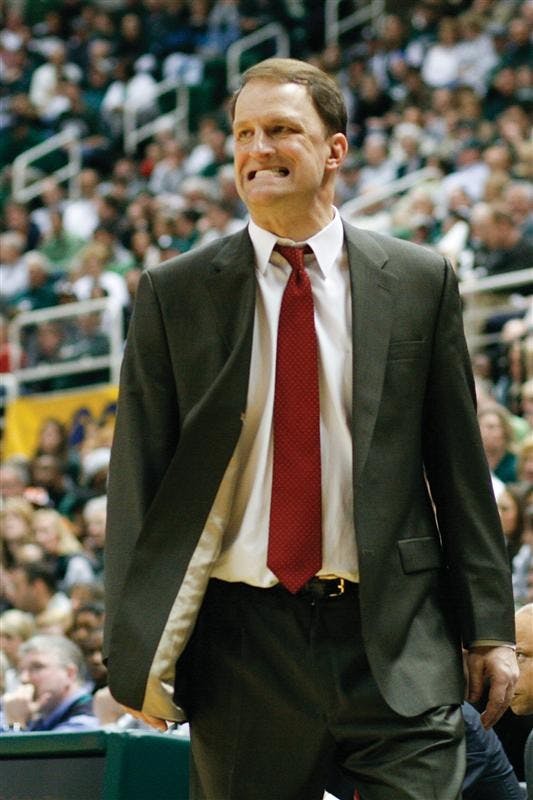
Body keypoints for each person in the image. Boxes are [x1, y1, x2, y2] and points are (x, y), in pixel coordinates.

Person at [104, 58, 518, 800]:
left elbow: (457, 466)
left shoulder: (419, 278)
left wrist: (487, 628)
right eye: (243, 134)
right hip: (241, 646)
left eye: (281, 130)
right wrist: (133, 644)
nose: (257, 149)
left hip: (393, 633)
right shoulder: (174, 292)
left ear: (334, 150)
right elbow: (139, 477)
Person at [1, 634, 98, 732]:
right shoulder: (41, 715)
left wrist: (15, 724)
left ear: (70, 674)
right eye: (21, 670)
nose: (24, 678)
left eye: (37, 667)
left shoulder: (86, 720)